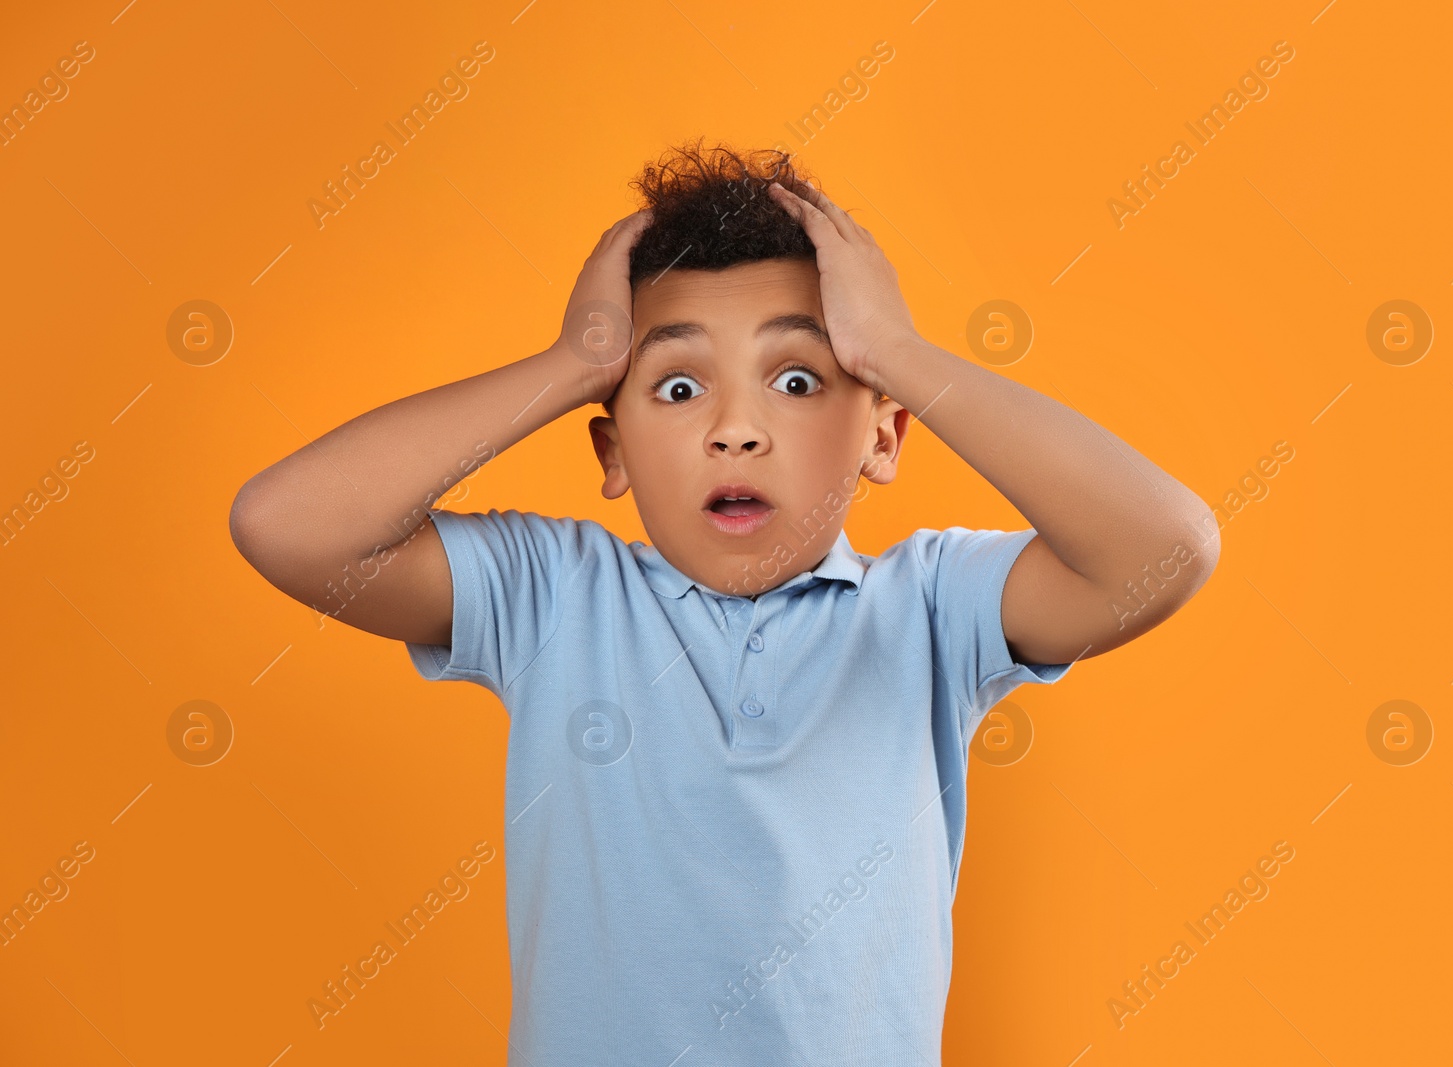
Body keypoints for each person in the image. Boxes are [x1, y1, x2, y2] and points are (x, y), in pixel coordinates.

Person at [228, 138, 1221, 1066]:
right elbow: (289, 524)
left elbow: (1163, 547)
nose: (735, 429)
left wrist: (897, 350)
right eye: (673, 389)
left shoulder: (932, 607)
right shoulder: (555, 595)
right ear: (610, 451)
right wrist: (568, 364)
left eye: (796, 377)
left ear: (883, 437)